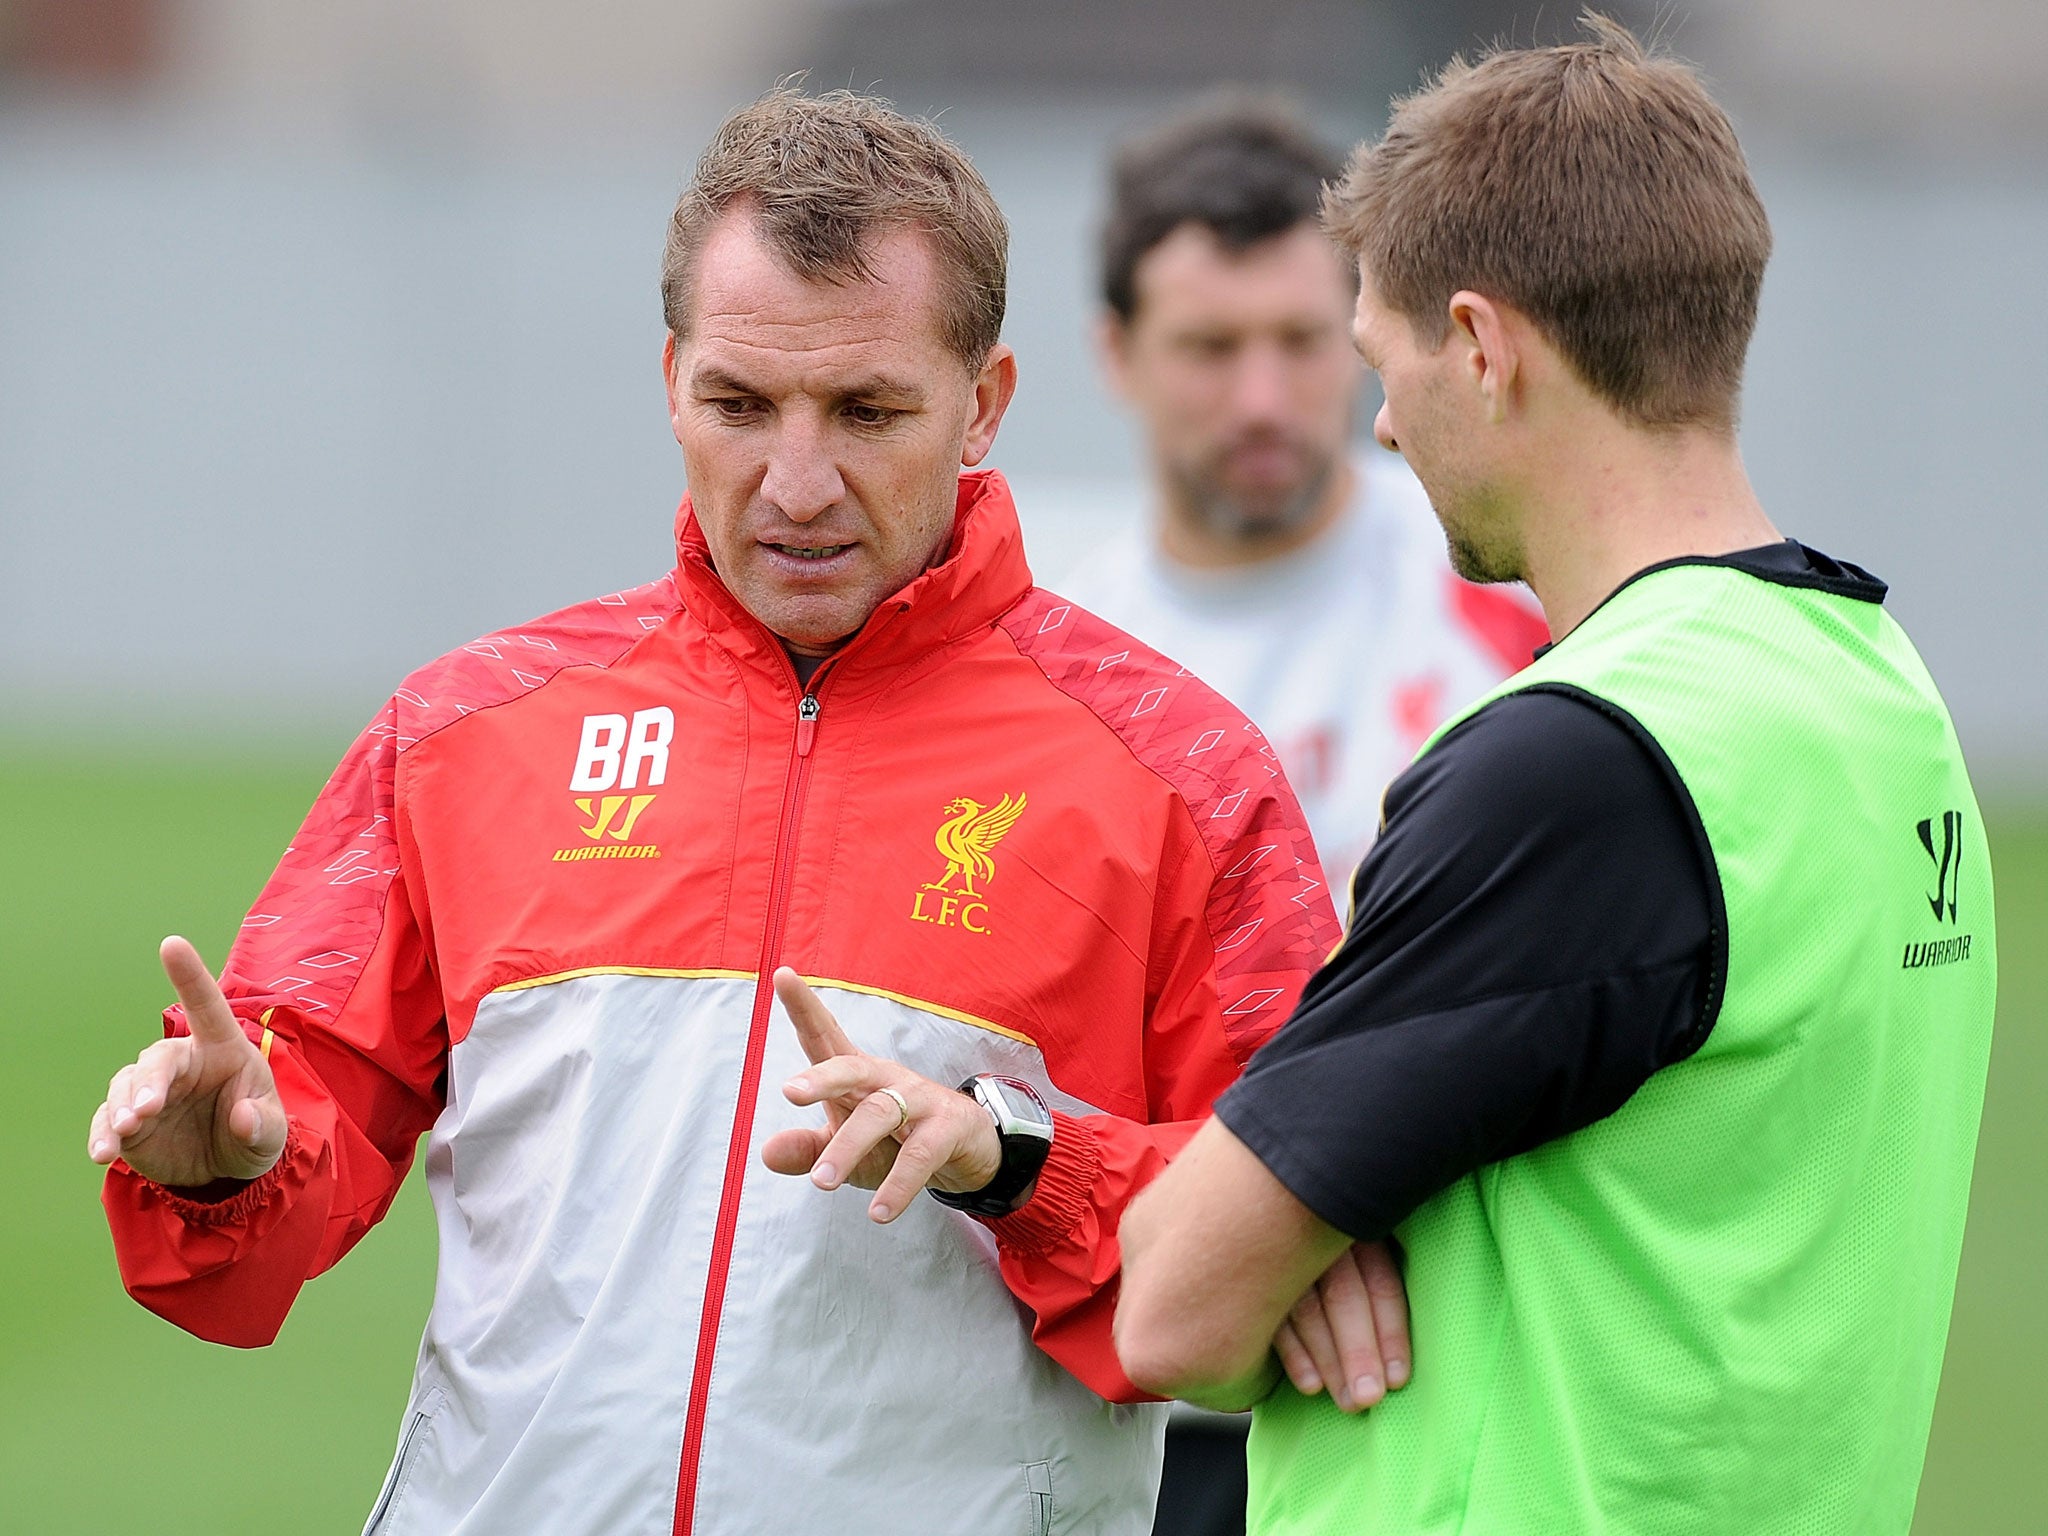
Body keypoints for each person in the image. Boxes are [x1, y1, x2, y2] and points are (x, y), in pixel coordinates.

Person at [81, 91, 1409, 1536]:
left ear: (989, 400)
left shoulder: (1181, 780)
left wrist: (1015, 1159)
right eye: (739, 404)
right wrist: (225, 1172)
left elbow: (1289, 1233)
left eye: (867, 411)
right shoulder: (467, 730)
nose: (795, 483)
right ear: (670, 383)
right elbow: (274, 1176)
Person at [1115, 18, 1997, 1536]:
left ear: (1479, 344)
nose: (1379, 425)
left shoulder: (1577, 761)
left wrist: (1274, 1229)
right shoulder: (1875, 684)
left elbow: (1172, 1312)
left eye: (1381, 363)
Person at [1060, 100, 1547, 885]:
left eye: (1302, 340)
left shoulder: (1518, 574)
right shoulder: (1067, 678)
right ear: (1116, 354)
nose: (1263, 401)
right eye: (1210, 348)